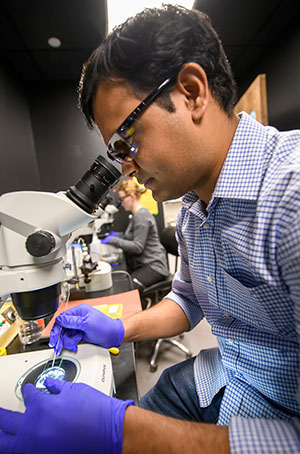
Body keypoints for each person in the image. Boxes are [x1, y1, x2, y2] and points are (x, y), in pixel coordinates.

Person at [1, 4, 300, 454]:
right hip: (220, 377)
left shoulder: (291, 198)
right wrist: (121, 330)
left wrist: (128, 433)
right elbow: (189, 299)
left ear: (192, 92)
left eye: (126, 140)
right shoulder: (197, 208)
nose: (125, 169)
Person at [102, 178, 169, 297]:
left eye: (122, 199)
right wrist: (119, 236)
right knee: (122, 282)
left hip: (154, 266)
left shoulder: (141, 215)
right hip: (145, 265)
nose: (121, 203)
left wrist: (114, 240)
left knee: (127, 289)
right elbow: (134, 236)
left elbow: (138, 247)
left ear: (132, 196)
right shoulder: (136, 215)